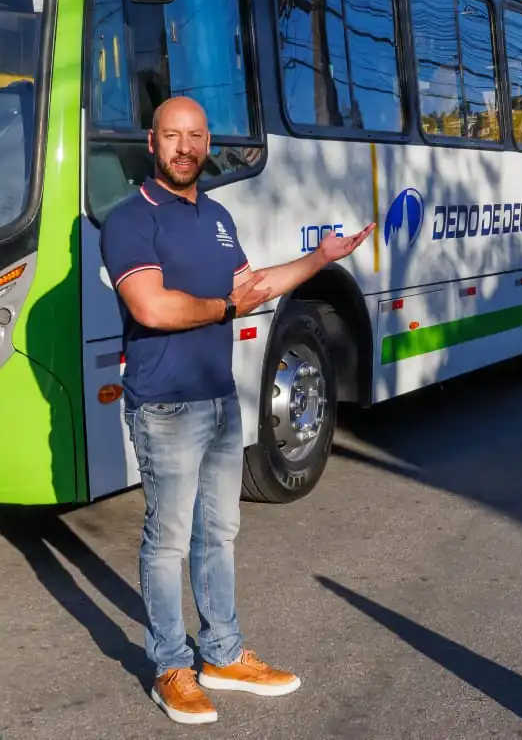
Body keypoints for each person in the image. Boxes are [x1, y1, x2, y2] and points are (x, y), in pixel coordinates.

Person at [100, 96, 373, 726]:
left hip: (219, 401)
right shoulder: (130, 220)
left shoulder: (218, 217)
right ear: (152, 142)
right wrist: (224, 307)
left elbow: (253, 288)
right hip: (164, 406)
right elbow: (153, 308)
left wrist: (319, 261)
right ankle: (171, 665)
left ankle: (221, 654)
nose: (186, 147)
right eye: (174, 135)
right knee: (167, 540)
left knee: (219, 533)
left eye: (196, 136)